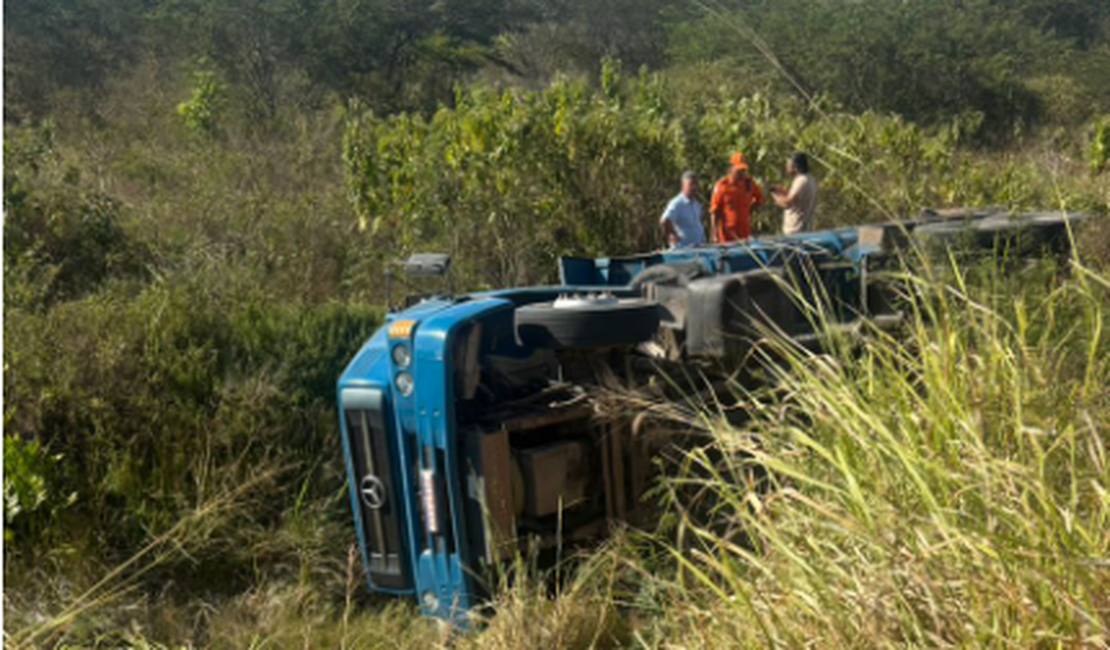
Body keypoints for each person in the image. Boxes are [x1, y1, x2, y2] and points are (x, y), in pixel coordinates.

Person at [710, 151, 764, 243]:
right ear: (731, 168)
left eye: (743, 170)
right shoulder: (722, 186)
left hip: (744, 233)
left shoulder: (749, 183)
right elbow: (714, 212)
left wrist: (749, 210)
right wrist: (714, 234)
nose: (742, 173)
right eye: (739, 170)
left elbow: (759, 199)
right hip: (727, 235)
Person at [771, 152, 818, 235]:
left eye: (788, 165)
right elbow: (796, 201)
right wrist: (783, 192)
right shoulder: (809, 178)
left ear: (795, 166)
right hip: (802, 229)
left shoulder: (801, 181)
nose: (786, 167)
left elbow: (787, 203)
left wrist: (775, 194)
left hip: (795, 231)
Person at [660, 171, 706, 248]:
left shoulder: (696, 204)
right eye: (691, 185)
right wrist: (672, 234)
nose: (694, 188)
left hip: (698, 248)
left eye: (695, 185)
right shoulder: (677, 203)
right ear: (683, 186)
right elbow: (664, 220)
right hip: (683, 250)